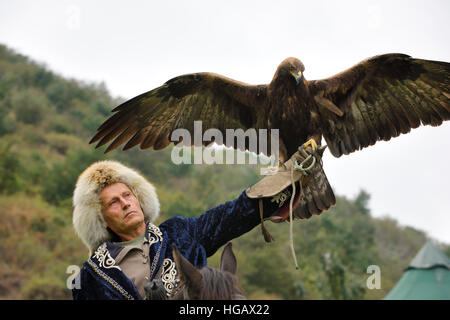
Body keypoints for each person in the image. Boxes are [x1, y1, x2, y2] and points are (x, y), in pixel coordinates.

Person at [71, 146, 323, 300]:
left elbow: (231, 216)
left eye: (127, 195)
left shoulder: (178, 232)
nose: (125, 203)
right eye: (114, 202)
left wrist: (287, 176)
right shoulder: (93, 275)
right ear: (100, 219)